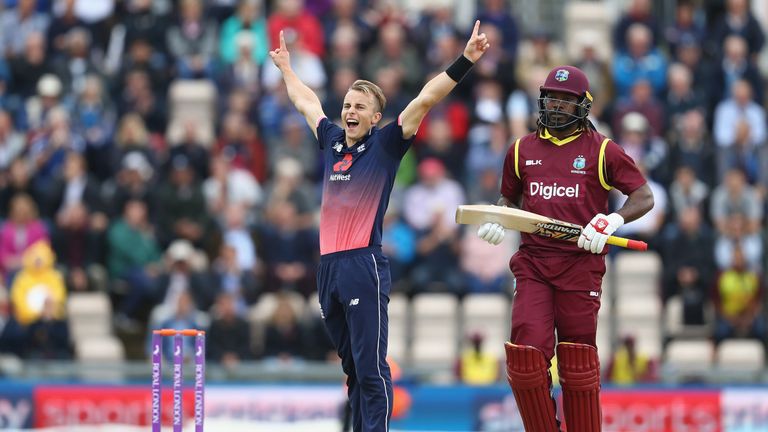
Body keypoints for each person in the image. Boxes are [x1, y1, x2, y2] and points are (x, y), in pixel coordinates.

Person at [269, 21, 490, 432]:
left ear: (376, 117)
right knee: (352, 370)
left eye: (359, 107)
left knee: (371, 368)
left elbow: (426, 98)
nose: (350, 112)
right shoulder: (333, 141)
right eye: (348, 105)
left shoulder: (386, 144)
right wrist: (286, 69)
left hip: (361, 265)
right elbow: (306, 104)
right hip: (329, 268)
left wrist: (466, 60)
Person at [477, 65, 654, 431]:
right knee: (525, 359)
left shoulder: (603, 150)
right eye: (551, 98)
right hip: (534, 264)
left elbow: (643, 196)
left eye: (565, 100)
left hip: (581, 266)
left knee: (577, 362)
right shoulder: (521, 150)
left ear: (582, 105)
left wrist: (613, 220)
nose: (556, 105)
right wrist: (499, 216)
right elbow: (508, 198)